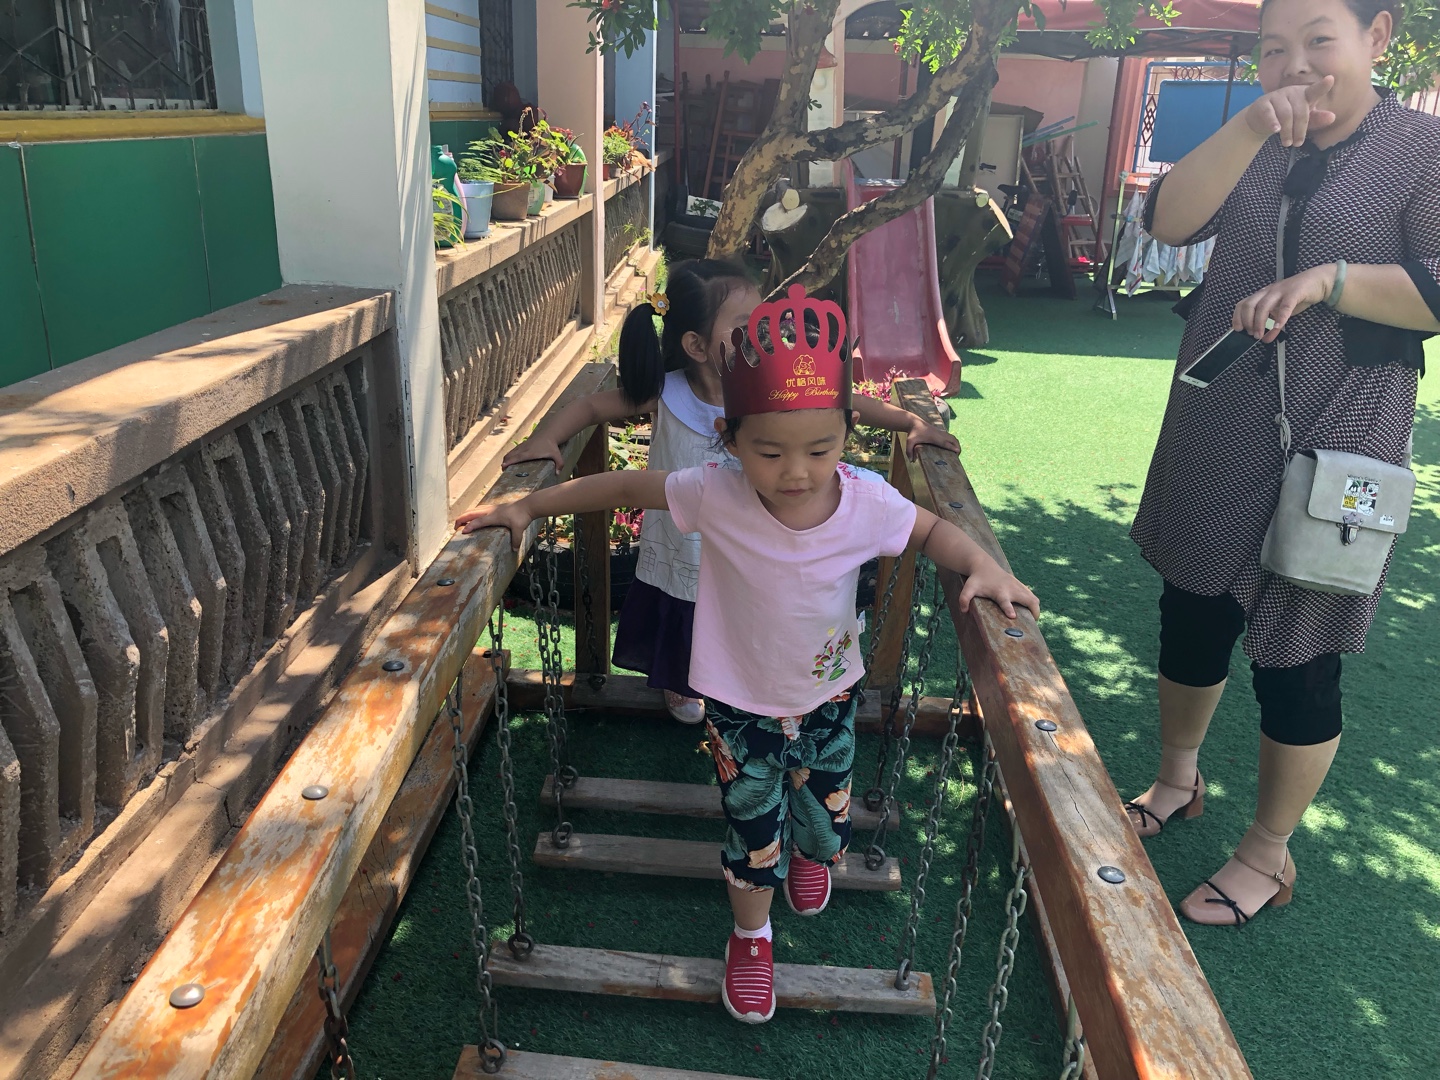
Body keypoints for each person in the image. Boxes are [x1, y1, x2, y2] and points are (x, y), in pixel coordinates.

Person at [460, 285, 1038, 1024]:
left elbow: (928, 531)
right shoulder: (717, 492)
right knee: (751, 829)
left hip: (829, 695)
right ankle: (752, 936)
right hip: (737, 704)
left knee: (827, 816)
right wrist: (528, 505)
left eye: (820, 449)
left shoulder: (864, 500)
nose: (796, 471)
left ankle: (813, 855)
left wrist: (982, 564)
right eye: (769, 451)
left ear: (845, 435)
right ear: (730, 440)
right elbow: (627, 483)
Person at [1125, 0, 1440, 927]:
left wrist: (1330, 283)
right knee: (1192, 601)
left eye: (1319, 40)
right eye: (1273, 48)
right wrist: (1251, 123)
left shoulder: (1423, 150)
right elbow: (1169, 221)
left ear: (1378, 38)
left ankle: (1268, 850)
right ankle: (1177, 779)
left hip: (1348, 424)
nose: (1295, 63)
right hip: (1224, 407)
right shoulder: (1257, 135)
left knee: (1301, 647)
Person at [502, 258, 961, 725]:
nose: (760, 335)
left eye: (762, 322)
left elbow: (843, 401)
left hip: (750, 539)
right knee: (685, 611)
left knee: (750, 613)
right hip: (687, 535)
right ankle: (683, 684)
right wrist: (547, 439)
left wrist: (911, 422)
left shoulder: (771, 392)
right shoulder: (666, 392)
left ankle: (750, 685)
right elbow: (590, 408)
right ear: (696, 345)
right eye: (746, 327)